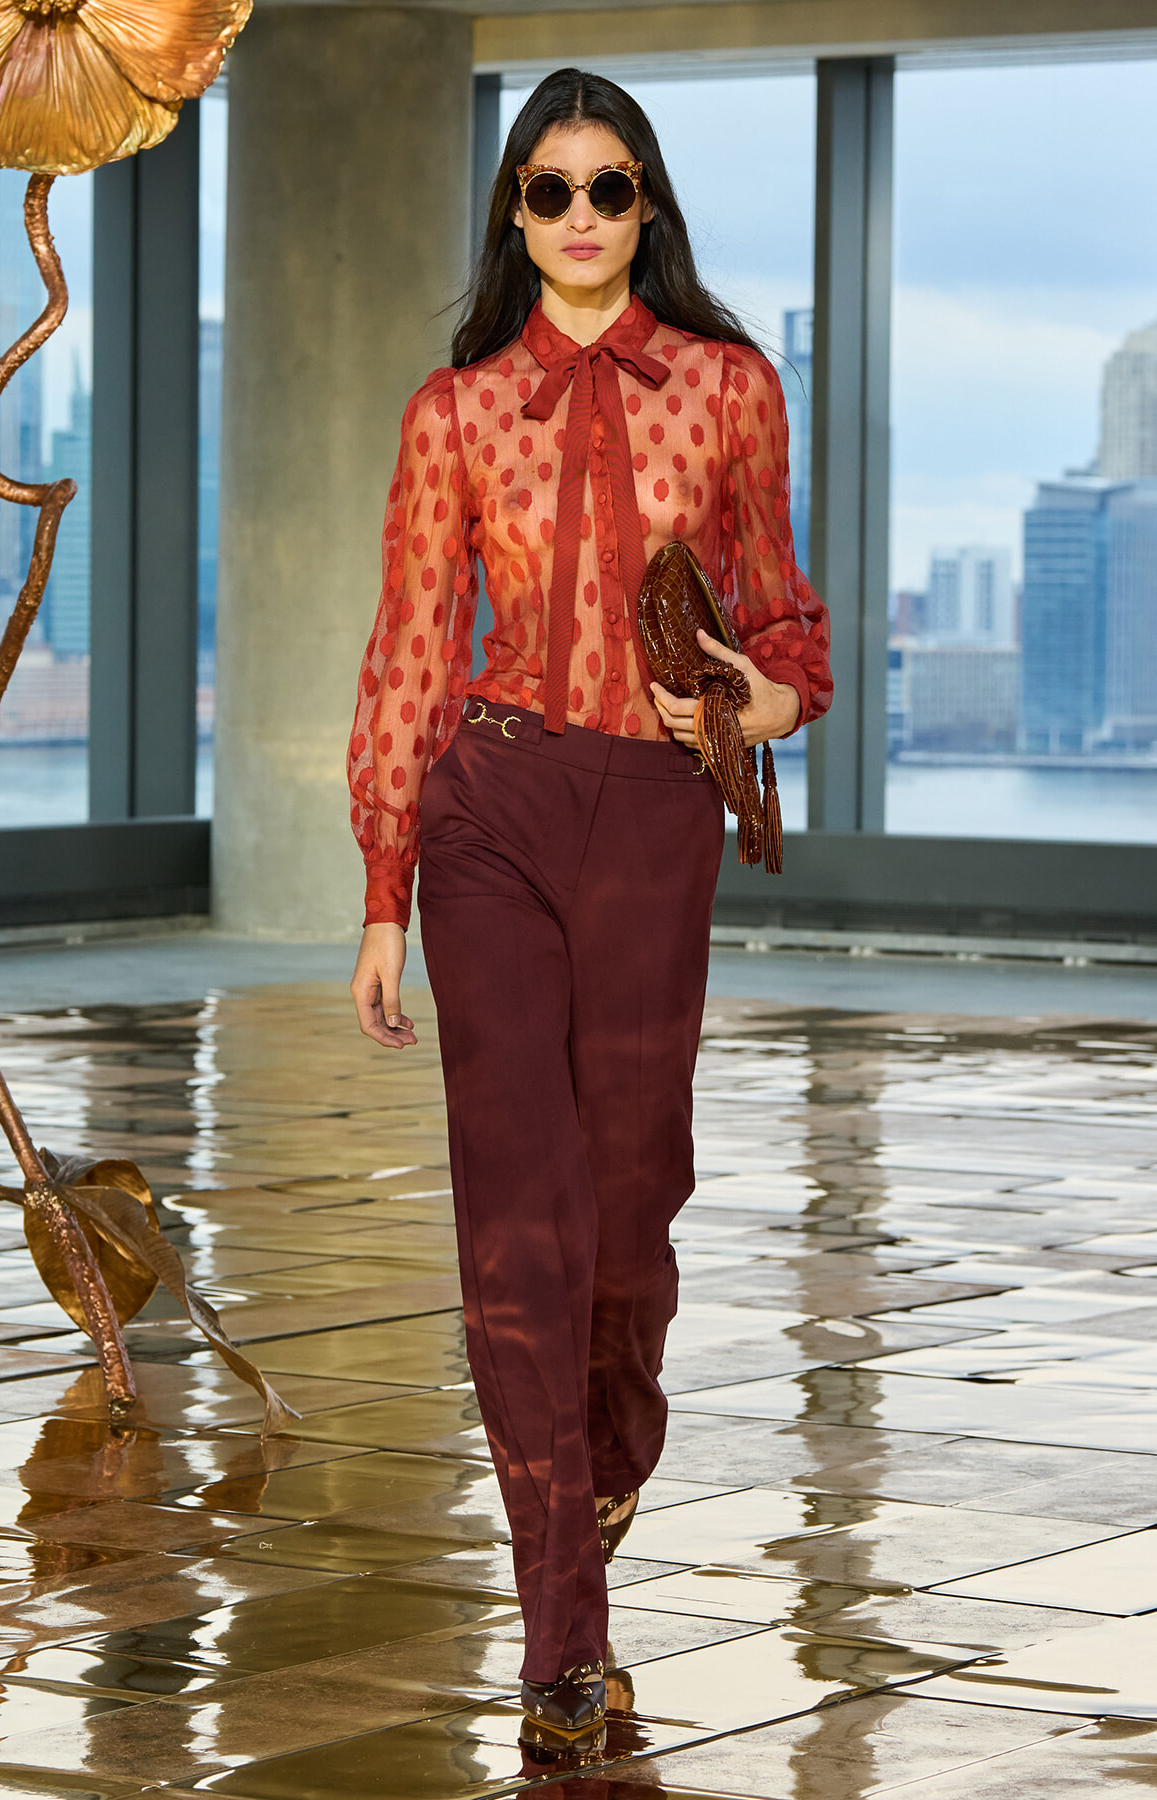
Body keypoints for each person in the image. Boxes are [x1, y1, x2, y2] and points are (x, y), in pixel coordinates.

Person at [347, 67, 832, 1740]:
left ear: (648, 207)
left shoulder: (731, 390)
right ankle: (562, 1614)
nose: (575, 219)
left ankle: (610, 1443)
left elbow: (786, 630)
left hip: (652, 817)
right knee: (521, 1218)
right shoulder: (455, 411)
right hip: (492, 805)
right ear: (513, 214)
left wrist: (758, 708)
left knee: (633, 1203)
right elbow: (411, 650)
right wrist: (383, 889)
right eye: (545, 192)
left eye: (605, 190)